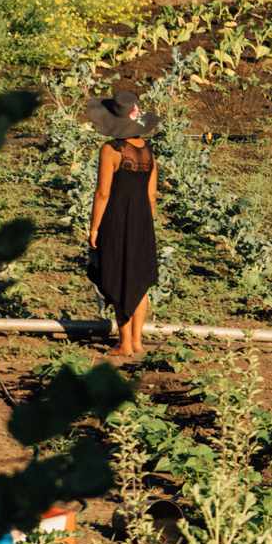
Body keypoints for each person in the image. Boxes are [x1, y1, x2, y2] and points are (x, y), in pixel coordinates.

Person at [83, 89, 161, 364]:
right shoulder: (149, 152)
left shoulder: (111, 151)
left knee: (118, 276)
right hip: (142, 222)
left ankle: (124, 343)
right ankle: (137, 340)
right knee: (138, 281)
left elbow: (103, 193)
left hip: (117, 219)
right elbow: (152, 196)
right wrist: (145, 225)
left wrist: (94, 228)